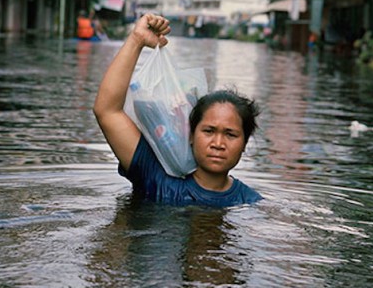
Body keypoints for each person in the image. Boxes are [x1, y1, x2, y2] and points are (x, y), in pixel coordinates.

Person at [93, 13, 262, 205]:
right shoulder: (155, 175)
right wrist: (136, 40)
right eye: (208, 131)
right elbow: (107, 110)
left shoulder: (248, 202)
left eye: (230, 134)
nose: (218, 143)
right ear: (190, 134)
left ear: (244, 143)